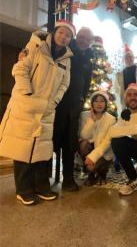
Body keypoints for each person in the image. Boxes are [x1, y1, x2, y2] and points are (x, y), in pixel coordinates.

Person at [0, 19, 75, 205]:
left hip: (47, 110)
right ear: (54, 32)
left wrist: (54, 101)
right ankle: (24, 190)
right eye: (61, 33)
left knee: (42, 150)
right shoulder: (35, 46)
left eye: (68, 35)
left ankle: (42, 187)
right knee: (23, 149)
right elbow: (19, 69)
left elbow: (64, 84)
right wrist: (27, 93)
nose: (64, 37)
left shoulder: (66, 59)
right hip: (26, 106)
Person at [53, 27, 94, 191]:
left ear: (90, 42)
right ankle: (41, 179)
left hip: (74, 107)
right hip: (59, 104)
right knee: (52, 141)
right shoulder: (67, 51)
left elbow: (87, 84)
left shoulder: (89, 60)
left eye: (87, 39)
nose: (83, 40)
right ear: (77, 37)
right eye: (81, 37)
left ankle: (68, 179)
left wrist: (81, 100)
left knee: (70, 144)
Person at [79, 91, 116, 185]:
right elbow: (84, 136)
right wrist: (91, 120)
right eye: (96, 101)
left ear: (106, 103)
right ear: (92, 103)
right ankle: (91, 175)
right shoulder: (84, 115)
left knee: (98, 164)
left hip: (103, 151)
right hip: (88, 149)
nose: (99, 104)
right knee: (83, 143)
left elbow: (107, 143)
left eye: (102, 101)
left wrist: (93, 157)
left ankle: (102, 172)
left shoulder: (111, 119)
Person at [115, 43, 137, 109]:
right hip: (127, 99)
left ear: (133, 58)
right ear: (124, 60)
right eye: (126, 57)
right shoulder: (120, 74)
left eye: (130, 57)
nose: (129, 59)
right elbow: (118, 88)